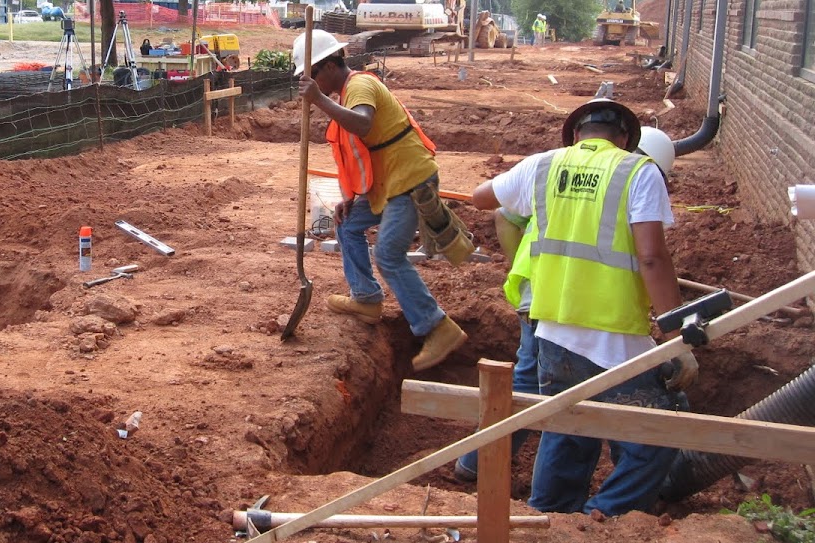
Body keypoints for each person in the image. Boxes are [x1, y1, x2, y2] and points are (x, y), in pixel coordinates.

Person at [468, 99, 698, 517]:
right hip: (613, 335)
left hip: (553, 328)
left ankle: (551, 514)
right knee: (658, 434)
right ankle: (603, 516)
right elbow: (652, 258)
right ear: (626, 138)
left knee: (568, 425)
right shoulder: (638, 171)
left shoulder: (542, 165)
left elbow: (481, 197)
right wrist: (676, 336)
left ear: (576, 134)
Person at [294, 30, 473, 371]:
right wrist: (352, 197)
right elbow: (358, 153)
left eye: (312, 74)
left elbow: (363, 124)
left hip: (408, 180)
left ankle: (437, 327)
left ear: (330, 65)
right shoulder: (345, 93)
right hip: (387, 185)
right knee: (347, 226)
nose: (309, 81)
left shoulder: (359, 86)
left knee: (389, 255)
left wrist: (319, 99)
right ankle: (366, 299)